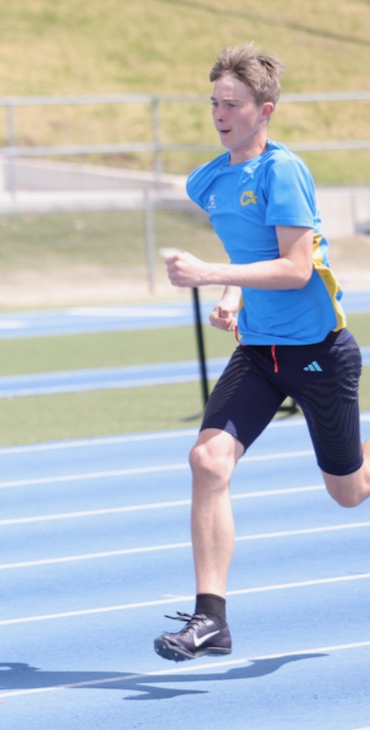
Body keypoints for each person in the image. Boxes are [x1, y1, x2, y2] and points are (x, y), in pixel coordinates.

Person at [156, 43, 370, 661]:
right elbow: (251, 251)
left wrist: (208, 273)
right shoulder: (209, 180)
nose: (220, 113)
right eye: (214, 102)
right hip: (260, 353)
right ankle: (210, 619)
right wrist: (229, 291)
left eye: (233, 103)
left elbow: (298, 269)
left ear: (264, 110)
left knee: (349, 493)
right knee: (207, 461)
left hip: (318, 352)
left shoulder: (284, 171)